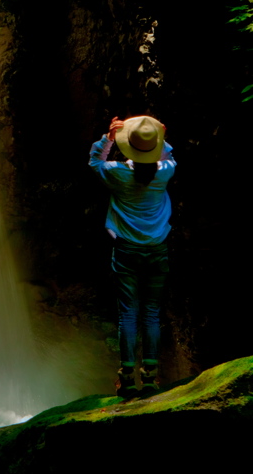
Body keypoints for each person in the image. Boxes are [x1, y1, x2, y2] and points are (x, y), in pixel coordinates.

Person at [89, 114, 176, 399]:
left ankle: (126, 378)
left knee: (128, 314)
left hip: (127, 249)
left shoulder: (117, 172)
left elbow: (95, 162)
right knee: (151, 313)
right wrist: (159, 135)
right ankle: (150, 377)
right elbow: (167, 154)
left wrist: (108, 138)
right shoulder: (164, 171)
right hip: (157, 249)